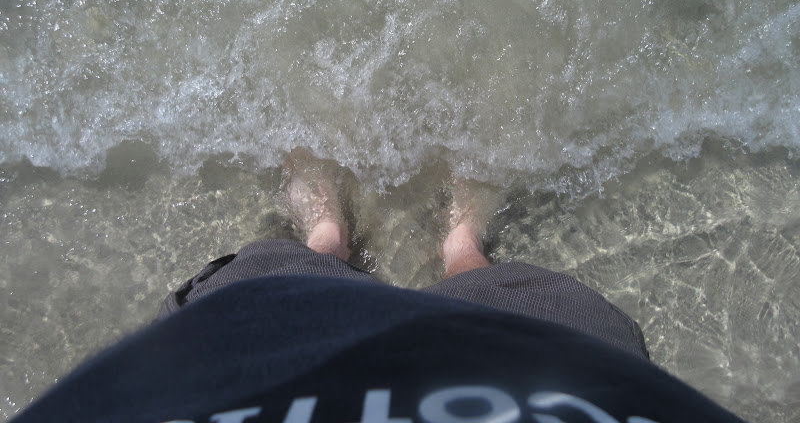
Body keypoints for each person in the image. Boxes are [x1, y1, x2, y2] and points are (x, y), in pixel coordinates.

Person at [13, 148, 745, 423]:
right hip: (565, 387)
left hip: (218, 375)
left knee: (274, 283)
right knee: (507, 304)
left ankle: (328, 242)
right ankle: (460, 250)